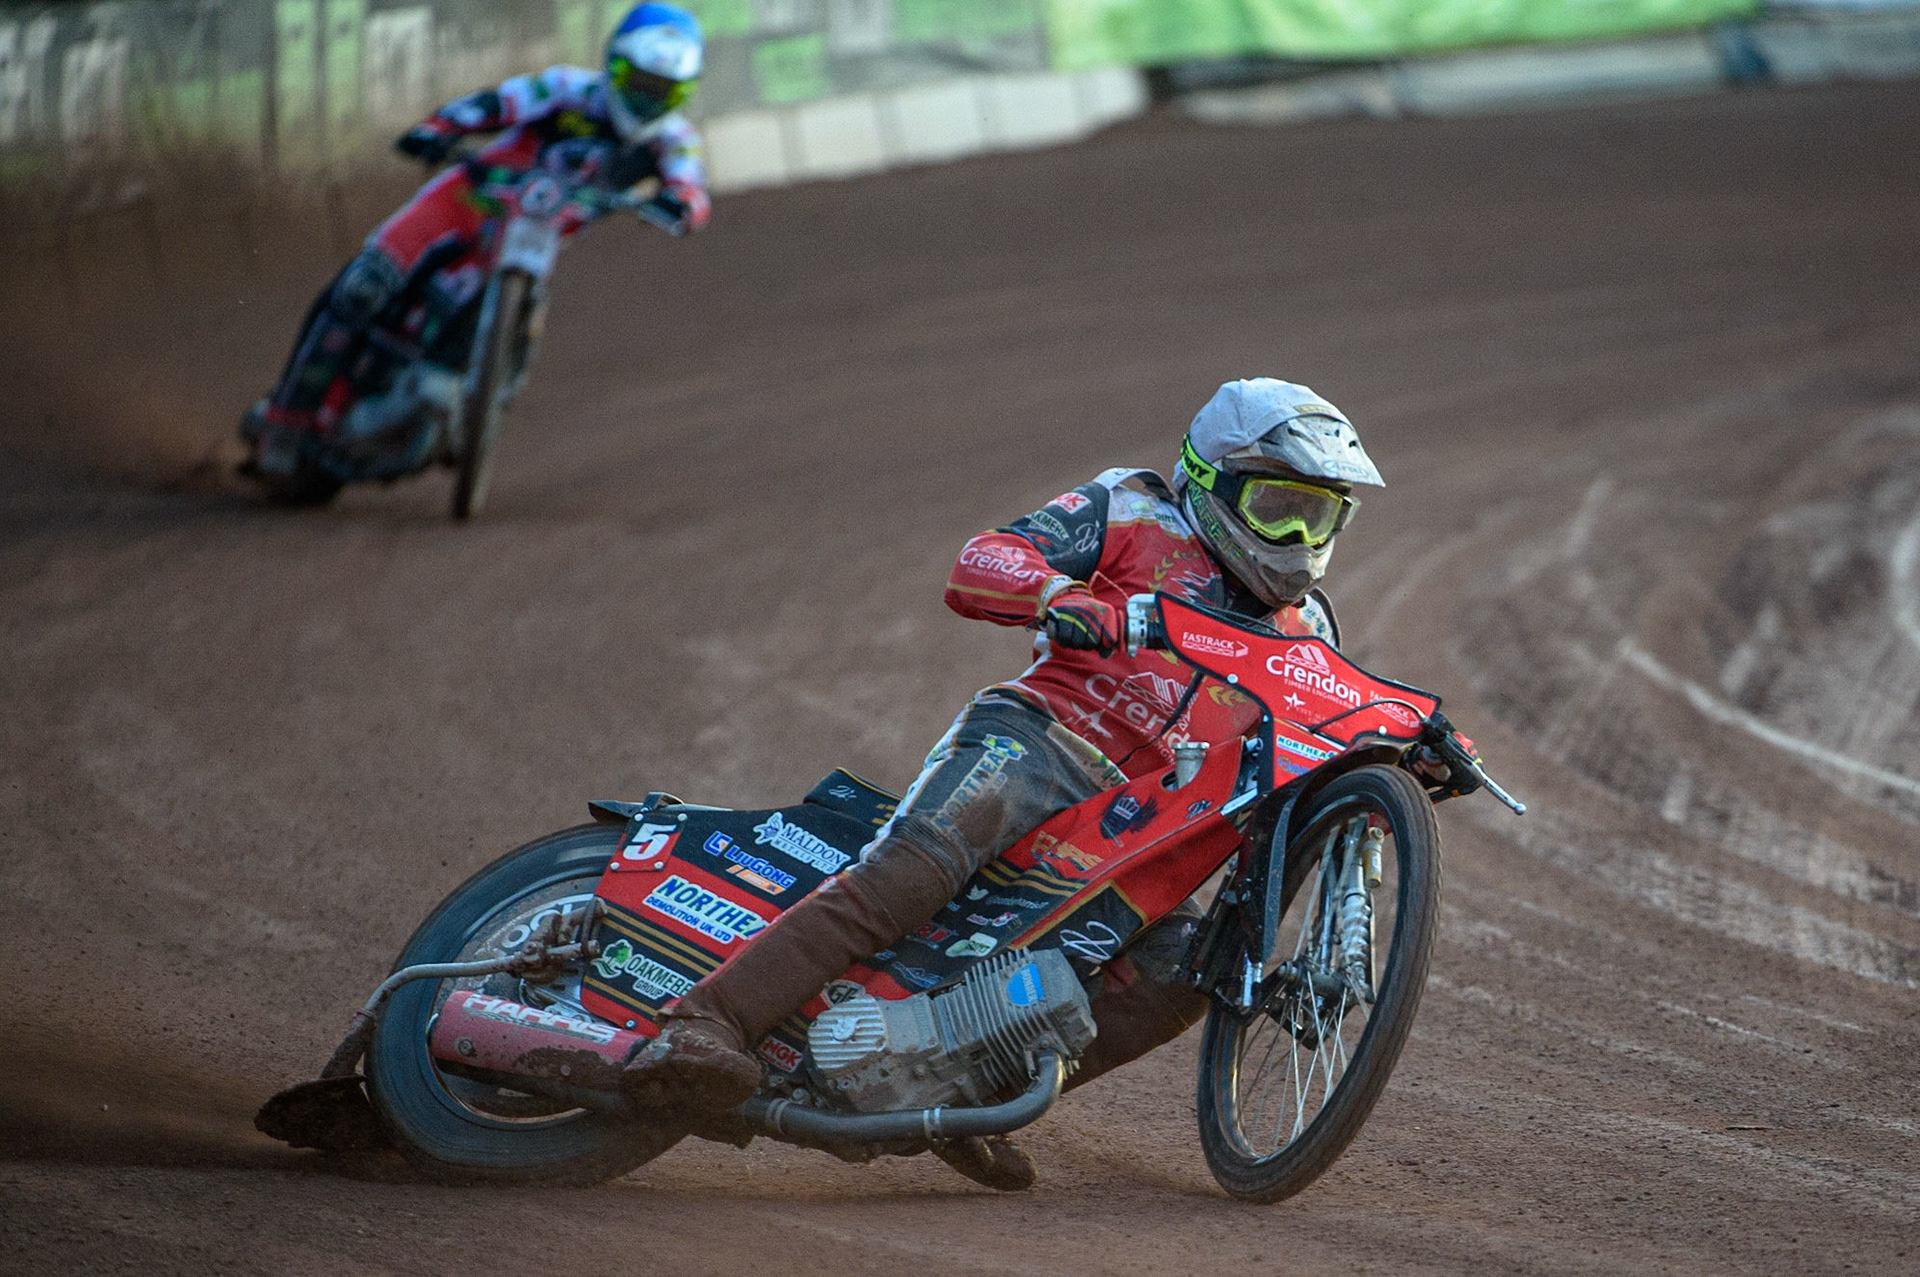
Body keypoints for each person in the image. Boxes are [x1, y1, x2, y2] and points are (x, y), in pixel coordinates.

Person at [624, 377, 1388, 1188]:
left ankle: (963, 1099)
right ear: (1211, 481)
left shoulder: (1310, 633)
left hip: (1138, 824)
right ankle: (704, 1020)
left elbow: (1319, 745)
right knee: (911, 872)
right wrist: (1056, 592)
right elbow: (983, 559)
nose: (1297, 537)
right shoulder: (1133, 511)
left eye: (1318, 516)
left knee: (1183, 976)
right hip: (1042, 740)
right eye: (1276, 507)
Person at [242, 3, 710, 462]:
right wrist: (440, 127)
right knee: (364, 286)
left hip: (526, 244)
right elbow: (500, 103)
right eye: (639, 82)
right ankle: (287, 417)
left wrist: (682, 205)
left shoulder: (674, 140)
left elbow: (690, 185)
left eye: (664, 92)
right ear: (613, 64)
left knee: (485, 337)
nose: (648, 100)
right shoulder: (566, 88)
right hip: (461, 203)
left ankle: (467, 407)